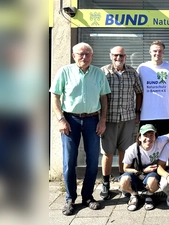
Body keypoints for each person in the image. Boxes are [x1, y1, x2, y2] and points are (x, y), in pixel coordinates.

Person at [49, 42, 111, 215]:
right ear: (73, 55)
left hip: (92, 120)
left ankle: (88, 196)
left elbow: (104, 97)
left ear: (92, 56)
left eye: (88, 54)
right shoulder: (64, 71)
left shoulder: (98, 73)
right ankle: (70, 198)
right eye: (81, 54)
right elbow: (55, 97)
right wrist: (61, 119)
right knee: (69, 161)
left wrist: (103, 119)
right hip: (70, 120)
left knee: (92, 160)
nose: (84, 57)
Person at [99, 46, 143, 200]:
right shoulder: (103, 72)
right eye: (116, 55)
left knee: (124, 152)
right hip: (108, 118)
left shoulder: (132, 72)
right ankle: (105, 183)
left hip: (128, 117)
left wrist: (137, 112)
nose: (119, 58)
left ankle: (123, 182)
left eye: (122, 55)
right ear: (111, 56)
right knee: (107, 152)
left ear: (126, 56)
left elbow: (139, 92)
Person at [119, 124, 169, 211]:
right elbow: (125, 168)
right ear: (139, 138)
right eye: (145, 135)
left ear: (155, 136)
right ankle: (134, 195)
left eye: (151, 135)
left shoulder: (160, 141)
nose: (148, 139)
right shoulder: (132, 149)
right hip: (137, 174)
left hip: (152, 175)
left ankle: (149, 195)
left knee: (153, 180)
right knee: (123, 180)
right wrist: (143, 171)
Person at [137, 40, 169, 135]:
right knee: (147, 144)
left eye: (160, 51)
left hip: (165, 114)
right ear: (150, 52)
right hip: (147, 115)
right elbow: (137, 89)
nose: (157, 53)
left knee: (166, 145)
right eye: (155, 51)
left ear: (163, 52)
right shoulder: (142, 68)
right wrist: (137, 111)